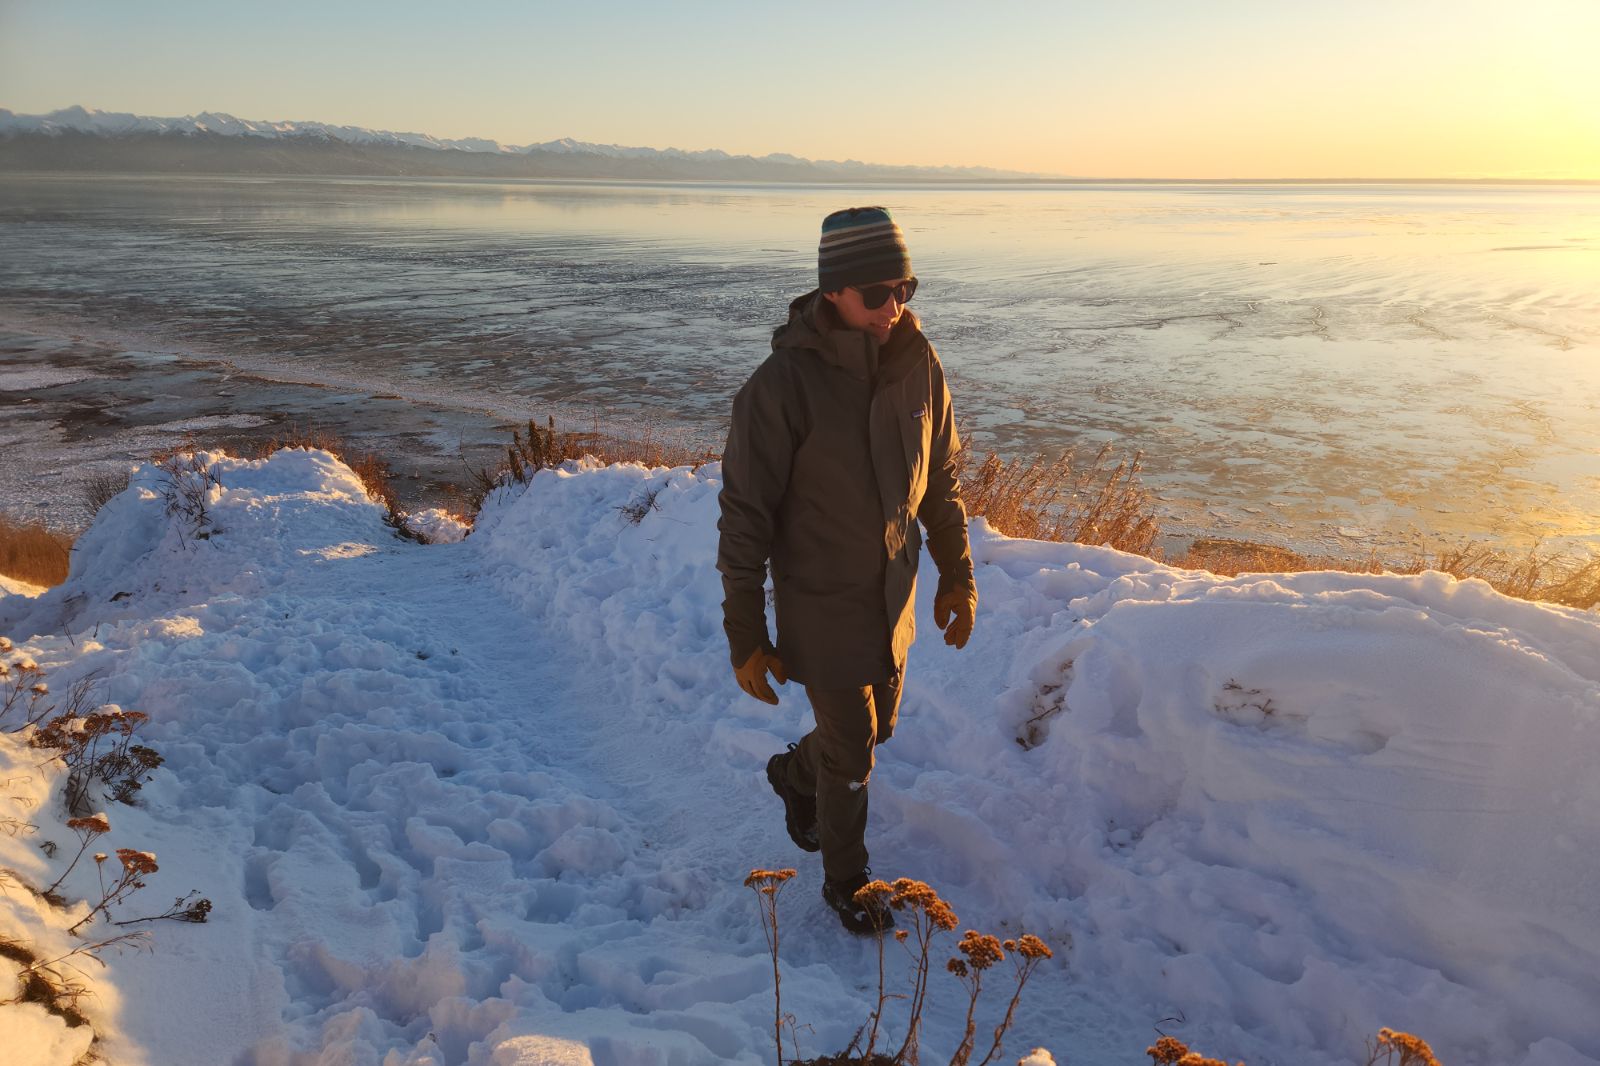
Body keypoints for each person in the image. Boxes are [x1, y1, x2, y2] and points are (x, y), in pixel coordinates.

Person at [716, 206, 977, 935]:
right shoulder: (780, 387)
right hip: (819, 599)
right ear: (833, 291)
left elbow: (942, 483)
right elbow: (745, 518)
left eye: (905, 289)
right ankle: (847, 882)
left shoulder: (918, 363)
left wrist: (957, 573)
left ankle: (793, 775)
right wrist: (746, 632)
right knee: (855, 746)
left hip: (890, 593)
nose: (894, 308)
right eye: (877, 294)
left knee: (875, 731)